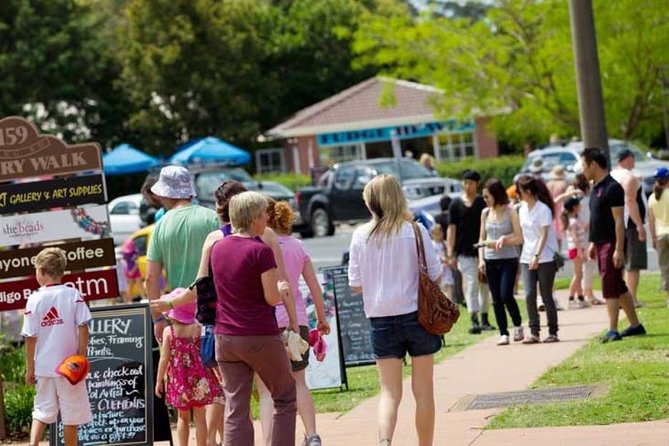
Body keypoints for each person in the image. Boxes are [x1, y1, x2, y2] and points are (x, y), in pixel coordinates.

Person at [348, 174, 442, 446]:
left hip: (380, 317)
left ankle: (385, 441)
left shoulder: (360, 235)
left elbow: (355, 285)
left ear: (372, 203)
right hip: (417, 315)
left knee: (389, 392)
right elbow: (435, 273)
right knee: (423, 391)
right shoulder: (415, 230)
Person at [213, 191, 297, 446]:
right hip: (259, 334)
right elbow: (271, 298)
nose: (267, 217)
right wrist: (282, 290)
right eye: (263, 213)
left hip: (226, 337)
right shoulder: (261, 251)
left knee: (236, 406)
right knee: (284, 396)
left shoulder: (218, 248)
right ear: (253, 218)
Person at [145, 165, 220, 442]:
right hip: (214, 310)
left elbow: (151, 277)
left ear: (165, 194)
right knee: (215, 382)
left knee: (187, 398)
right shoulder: (210, 217)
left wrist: (158, 318)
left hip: (178, 317)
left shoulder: (161, 225)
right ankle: (213, 438)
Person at [257, 199, 331, 446]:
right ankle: (312, 435)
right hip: (296, 320)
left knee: (267, 388)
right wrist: (321, 318)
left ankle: (268, 441)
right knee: (299, 381)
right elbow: (313, 286)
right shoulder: (297, 246)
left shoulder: (256, 245)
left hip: (266, 322)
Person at [21, 247, 92, 446]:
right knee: (71, 416)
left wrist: (30, 368)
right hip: (70, 367)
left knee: (41, 410)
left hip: (44, 367)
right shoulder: (73, 294)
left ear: (41, 271)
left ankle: (33, 445)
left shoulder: (34, 299)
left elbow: (30, 336)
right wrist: (81, 356)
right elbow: (84, 325)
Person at [580, 148, 646, 343]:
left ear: (594, 164)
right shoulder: (596, 187)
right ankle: (635, 325)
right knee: (617, 284)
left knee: (609, 285)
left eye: (584, 166)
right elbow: (596, 218)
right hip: (599, 242)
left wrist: (618, 248)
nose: (583, 170)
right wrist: (592, 242)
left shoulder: (613, 187)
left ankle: (612, 329)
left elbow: (619, 221)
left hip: (611, 243)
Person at [155, 295, 222, 446]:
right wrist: (218, 371)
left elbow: (164, 359)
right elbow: (207, 353)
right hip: (200, 379)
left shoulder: (169, 332)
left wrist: (159, 380)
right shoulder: (199, 329)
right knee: (200, 417)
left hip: (179, 380)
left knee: (182, 418)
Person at [478, 179, 524, 346]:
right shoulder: (485, 213)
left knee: (506, 294)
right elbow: (481, 239)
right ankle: (503, 332)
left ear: (496, 195)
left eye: (487, 196)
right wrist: (481, 259)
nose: (484, 199)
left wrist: (503, 240)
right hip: (490, 260)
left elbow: (519, 238)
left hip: (508, 259)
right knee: (496, 298)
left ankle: (518, 324)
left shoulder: (510, 212)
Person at [447, 169, 494, 334]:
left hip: (483, 250)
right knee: (472, 284)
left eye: (472, 183)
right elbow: (451, 229)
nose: (468, 186)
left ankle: (485, 318)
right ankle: (474, 319)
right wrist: (450, 253)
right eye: (466, 183)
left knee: (484, 285)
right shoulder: (455, 204)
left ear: (477, 184)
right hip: (464, 252)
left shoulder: (482, 203)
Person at [516, 176, 560, 344]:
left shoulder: (543, 210)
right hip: (526, 257)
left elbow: (544, 235)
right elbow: (523, 235)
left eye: (519, 191)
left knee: (546, 295)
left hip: (545, 258)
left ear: (527, 191)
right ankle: (534, 331)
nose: (518, 195)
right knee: (528, 294)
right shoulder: (521, 209)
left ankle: (553, 331)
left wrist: (537, 255)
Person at [610, 148, 648, 308]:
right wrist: (639, 225)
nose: (634, 162)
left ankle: (621, 295)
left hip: (614, 222)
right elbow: (630, 201)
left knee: (621, 261)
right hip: (630, 224)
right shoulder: (628, 177)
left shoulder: (612, 175)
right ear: (627, 159)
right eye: (633, 159)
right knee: (633, 263)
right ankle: (631, 297)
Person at [647, 166, 669, 307]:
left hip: (660, 235)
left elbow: (651, 220)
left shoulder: (652, 198)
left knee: (665, 267)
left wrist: (653, 238)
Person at [562, 196, 588, 308]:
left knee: (579, 274)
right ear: (574, 207)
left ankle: (580, 296)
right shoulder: (572, 222)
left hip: (576, 249)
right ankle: (571, 298)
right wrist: (580, 250)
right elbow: (575, 237)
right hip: (576, 249)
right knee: (578, 275)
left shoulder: (573, 221)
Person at [430, 224, 454, 298]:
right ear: (432, 234)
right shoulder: (431, 244)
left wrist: (448, 259)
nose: (437, 236)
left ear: (442, 234)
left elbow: (449, 255)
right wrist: (440, 258)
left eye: (439, 233)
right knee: (439, 289)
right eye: (435, 234)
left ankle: (449, 303)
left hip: (446, 269)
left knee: (448, 288)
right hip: (437, 270)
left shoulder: (445, 243)